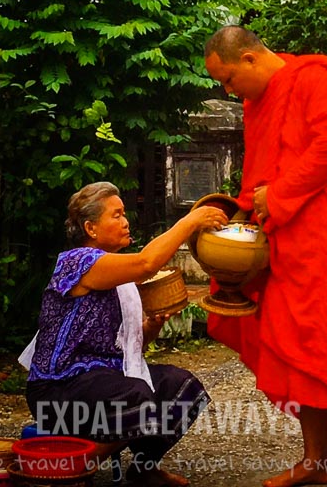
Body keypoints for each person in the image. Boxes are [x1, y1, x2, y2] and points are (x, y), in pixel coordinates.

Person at [204, 26, 327, 487]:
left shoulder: (318, 76)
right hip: (286, 238)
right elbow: (258, 173)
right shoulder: (258, 103)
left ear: (251, 59)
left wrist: (280, 194)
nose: (228, 91)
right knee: (298, 349)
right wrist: (242, 217)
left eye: (229, 79)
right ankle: (316, 462)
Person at [22, 182, 228, 487]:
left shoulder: (119, 276)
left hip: (102, 380)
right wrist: (190, 221)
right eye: (116, 215)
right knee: (136, 395)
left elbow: (130, 349)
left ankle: (144, 468)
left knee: (180, 387)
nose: (126, 221)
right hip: (57, 389)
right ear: (91, 228)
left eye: (124, 214)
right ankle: (74, 469)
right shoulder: (77, 262)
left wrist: (153, 326)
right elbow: (147, 262)